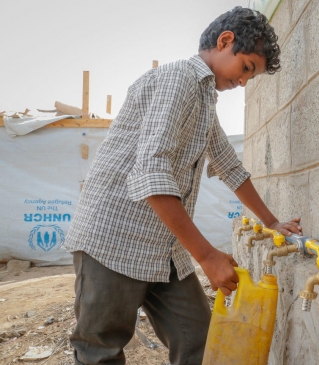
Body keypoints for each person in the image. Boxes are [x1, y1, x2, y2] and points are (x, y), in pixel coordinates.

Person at [62, 7, 300, 365]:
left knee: (199, 343)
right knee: (101, 351)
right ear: (225, 41)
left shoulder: (204, 98)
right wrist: (206, 256)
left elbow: (229, 165)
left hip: (163, 248)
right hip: (113, 239)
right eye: (247, 68)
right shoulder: (179, 80)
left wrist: (271, 222)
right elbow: (150, 173)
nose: (244, 82)